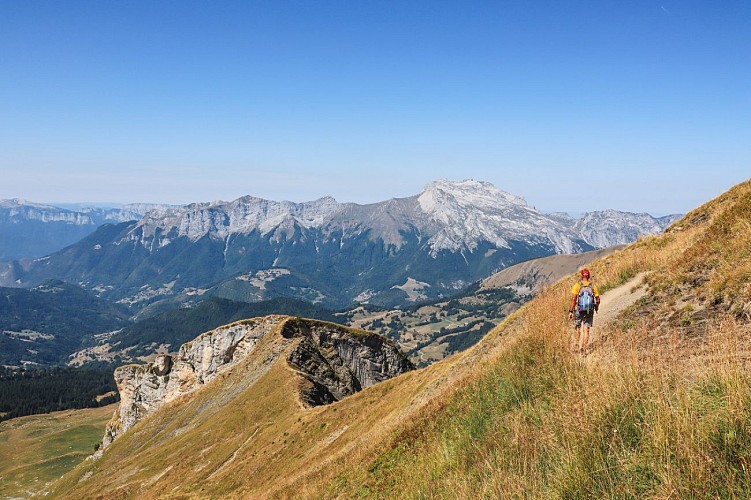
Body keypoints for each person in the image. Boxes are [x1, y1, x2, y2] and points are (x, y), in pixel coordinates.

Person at [568, 268, 600, 353]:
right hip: (589, 310)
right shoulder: (593, 286)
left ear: (582, 276)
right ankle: (584, 349)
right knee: (586, 330)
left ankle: (577, 345)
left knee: (577, 327)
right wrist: (596, 307)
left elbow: (573, 299)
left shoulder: (577, 285)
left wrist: (571, 311)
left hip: (579, 310)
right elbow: (598, 299)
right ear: (588, 276)